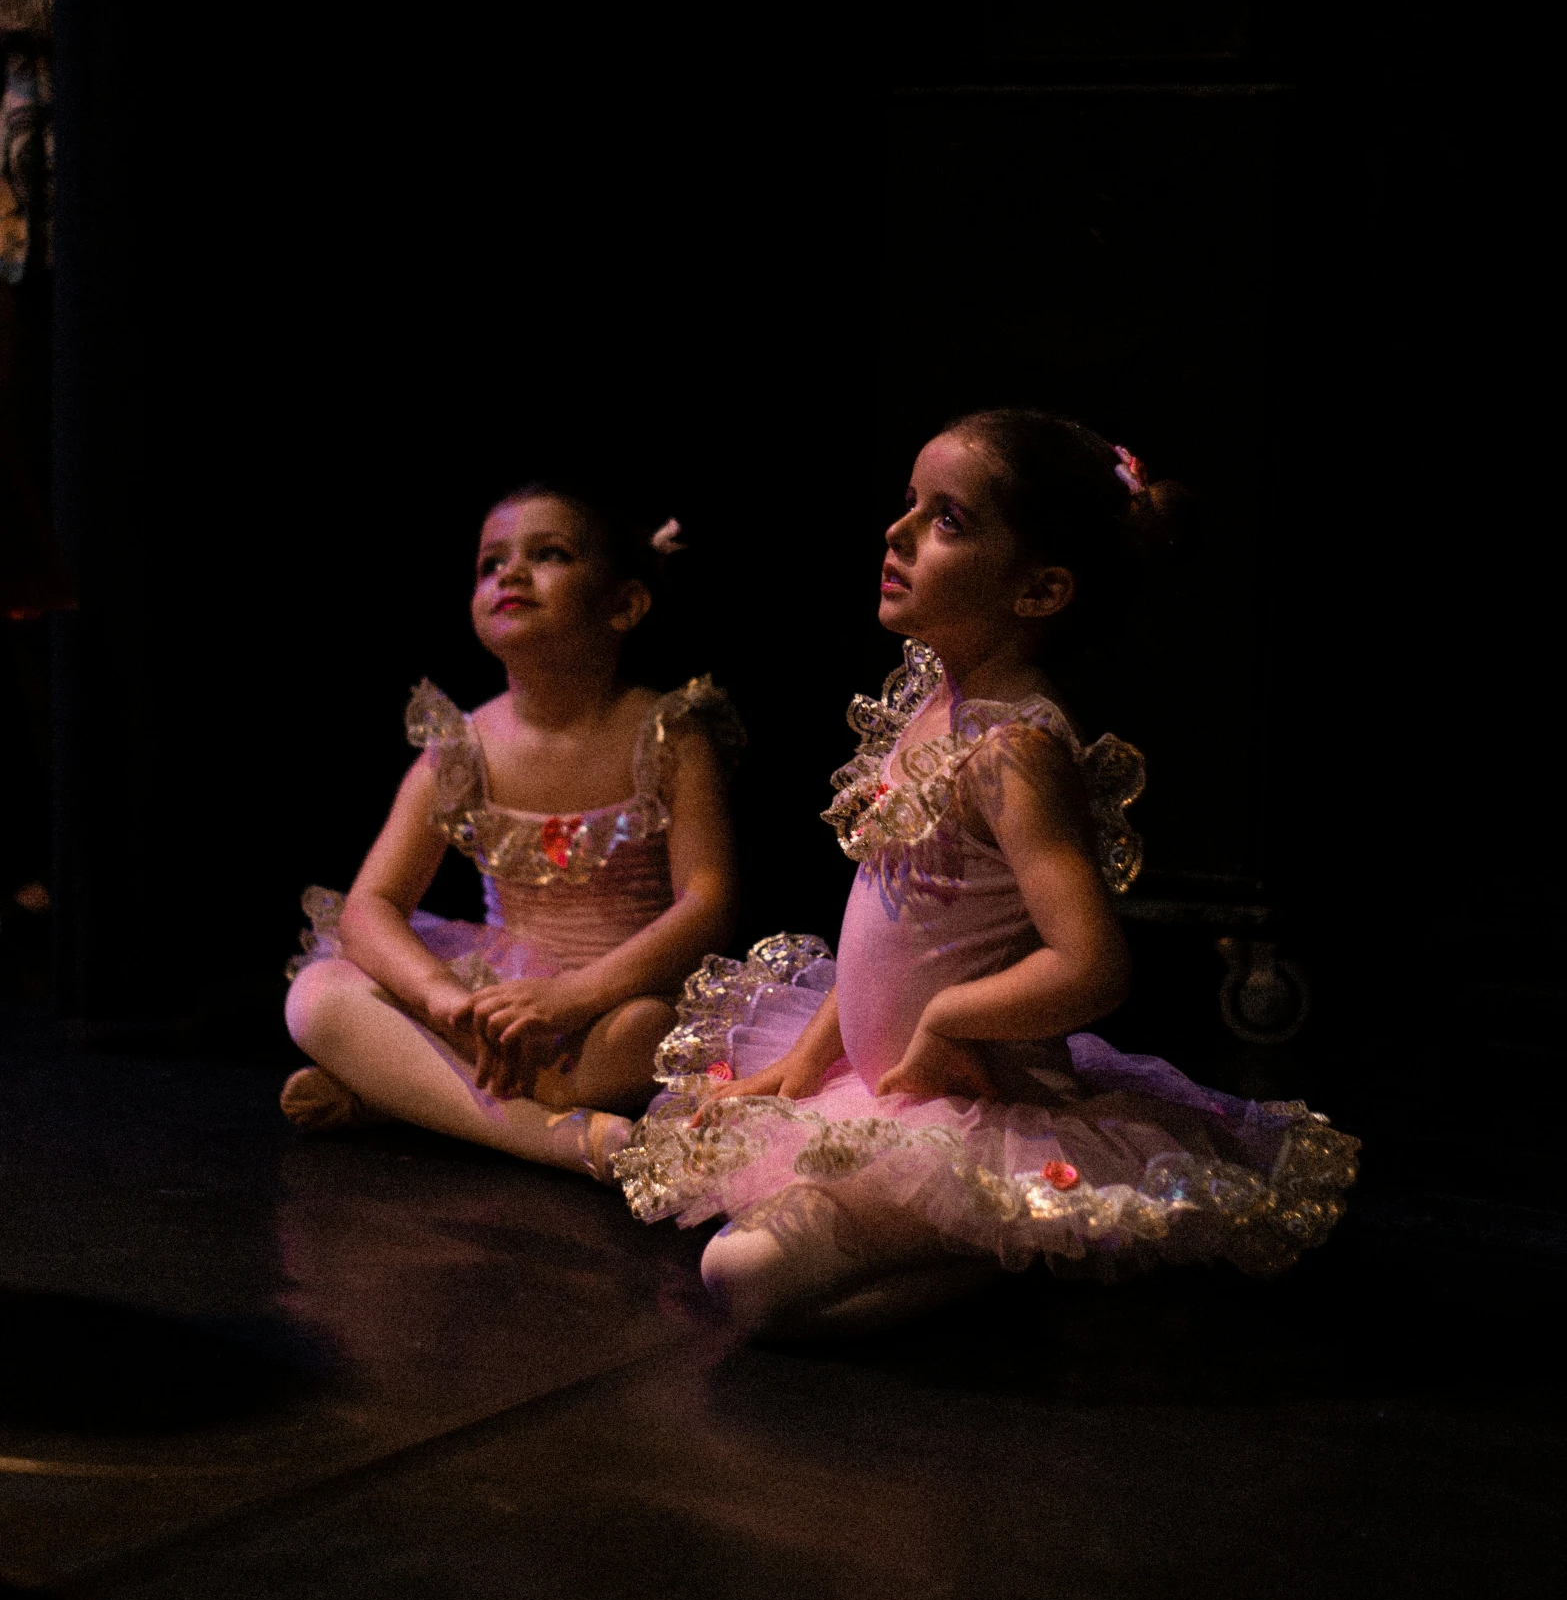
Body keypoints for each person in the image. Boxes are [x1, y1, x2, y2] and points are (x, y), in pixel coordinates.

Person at [615, 410, 1359, 1335]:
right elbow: (888, 923)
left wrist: (947, 1016)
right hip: (887, 1087)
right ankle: (1006, 1241)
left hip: (980, 1102)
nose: (896, 533)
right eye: (908, 506)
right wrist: (800, 1072)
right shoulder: (930, 706)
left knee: (742, 1274)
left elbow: (1090, 963)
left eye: (947, 520)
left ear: (1039, 589)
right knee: (737, 1217)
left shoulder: (1014, 748)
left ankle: (1016, 1240)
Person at [282, 479, 744, 1182]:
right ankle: (564, 1136)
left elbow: (707, 902)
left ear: (623, 602)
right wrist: (443, 997)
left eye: (548, 554)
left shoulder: (666, 734)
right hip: (489, 1007)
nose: (511, 574)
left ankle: (408, 1094)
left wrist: (574, 996)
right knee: (314, 999)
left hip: (607, 1004)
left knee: (650, 1033)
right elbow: (368, 907)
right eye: (490, 563)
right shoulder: (459, 749)